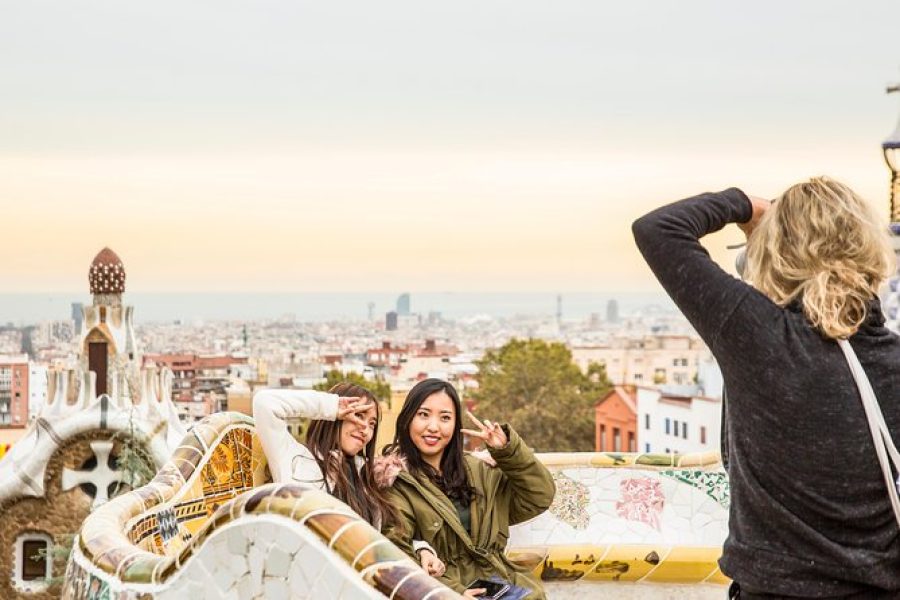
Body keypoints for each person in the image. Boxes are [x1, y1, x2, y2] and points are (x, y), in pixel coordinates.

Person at [632, 177, 900, 598]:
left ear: (777, 253)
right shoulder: (892, 360)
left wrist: (746, 206)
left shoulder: (758, 336)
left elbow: (658, 229)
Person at [381, 378, 555, 599]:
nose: (433, 427)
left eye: (445, 418)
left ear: (455, 426)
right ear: (407, 419)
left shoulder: (480, 470)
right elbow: (396, 549)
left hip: (503, 583)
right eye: (423, 415)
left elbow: (539, 496)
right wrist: (455, 592)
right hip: (444, 591)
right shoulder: (396, 483)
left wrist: (508, 452)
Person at [253, 382, 445, 576]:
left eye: (372, 424)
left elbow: (379, 539)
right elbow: (265, 404)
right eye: (358, 416)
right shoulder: (295, 459)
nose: (365, 429)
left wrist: (421, 550)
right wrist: (332, 406)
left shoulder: (365, 476)